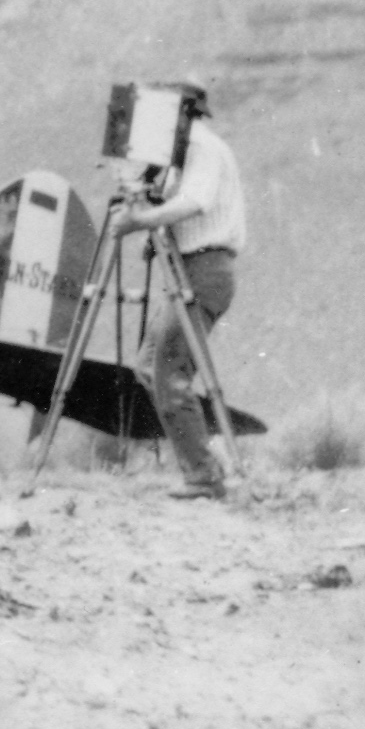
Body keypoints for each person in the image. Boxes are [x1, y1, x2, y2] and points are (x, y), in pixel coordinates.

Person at [117, 83, 246, 498]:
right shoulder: (181, 156)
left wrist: (142, 219)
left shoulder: (203, 148)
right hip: (188, 267)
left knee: (169, 372)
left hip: (205, 269)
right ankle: (208, 461)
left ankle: (204, 475)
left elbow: (194, 202)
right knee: (151, 365)